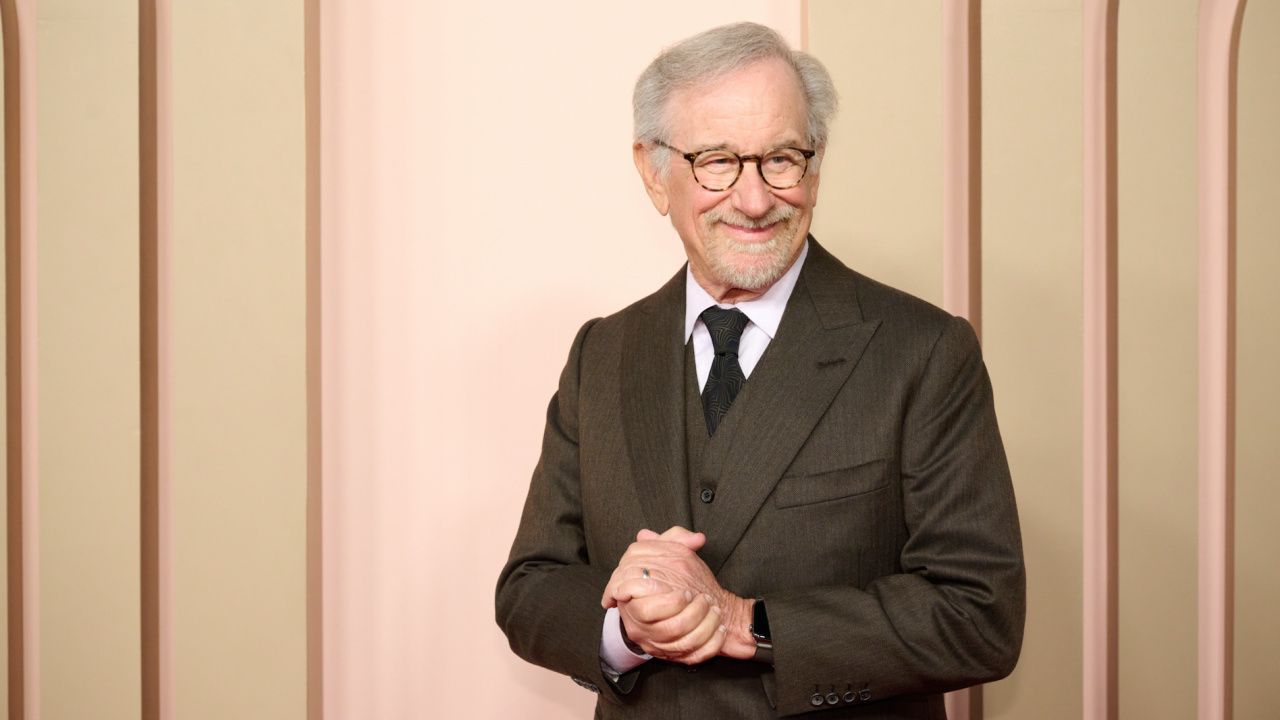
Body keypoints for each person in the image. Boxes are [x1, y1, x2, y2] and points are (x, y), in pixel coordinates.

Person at [495, 21, 1024, 718]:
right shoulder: (602, 353)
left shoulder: (923, 352)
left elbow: (978, 616)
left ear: (816, 161)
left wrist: (750, 621)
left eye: (781, 158)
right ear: (655, 172)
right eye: (716, 160)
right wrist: (625, 629)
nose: (754, 199)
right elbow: (531, 588)